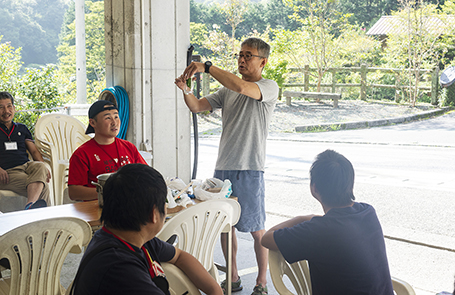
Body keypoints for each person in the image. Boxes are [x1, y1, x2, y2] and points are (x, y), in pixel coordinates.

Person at [175, 37, 279, 295]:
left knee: (256, 229)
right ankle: (232, 277)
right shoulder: (227, 90)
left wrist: (207, 67)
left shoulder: (268, 87)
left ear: (262, 61)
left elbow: (244, 88)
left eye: (248, 56)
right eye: (240, 55)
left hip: (250, 168)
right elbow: (198, 107)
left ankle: (262, 282)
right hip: (223, 167)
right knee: (225, 225)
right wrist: (186, 89)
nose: (242, 59)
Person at [71, 163, 222, 295]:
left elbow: (180, 256)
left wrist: (215, 290)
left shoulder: (133, 238)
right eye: (165, 201)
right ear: (154, 214)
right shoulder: (120, 269)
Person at [261, 149, 393, 295]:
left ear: (314, 188)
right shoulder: (368, 212)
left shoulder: (319, 230)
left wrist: (302, 218)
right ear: (350, 184)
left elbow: (266, 238)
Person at [68, 100, 147, 201]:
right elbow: (74, 192)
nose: (114, 122)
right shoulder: (82, 154)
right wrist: (109, 192)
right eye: (108, 118)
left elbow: (146, 174)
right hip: (99, 208)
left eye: (116, 117)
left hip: (131, 205)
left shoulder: (129, 147)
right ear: (92, 122)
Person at [0, 91, 51, 209]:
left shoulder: (21, 128)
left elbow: (33, 151)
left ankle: (30, 206)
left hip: (27, 166)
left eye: (9, 106)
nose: (6, 111)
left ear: (14, 108)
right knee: (42, 187)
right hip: (8, 172)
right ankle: (40, 217)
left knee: (41, 166)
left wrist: (44, 169)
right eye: (1, 108)